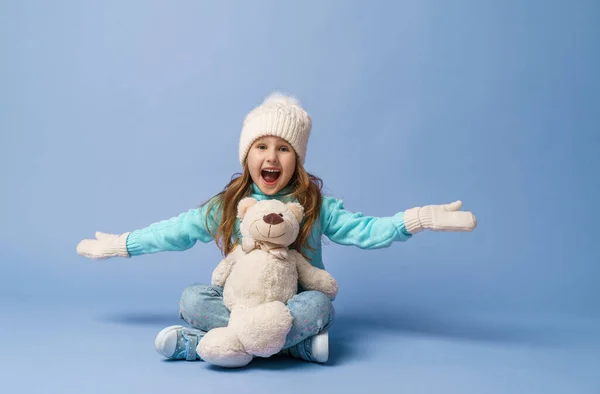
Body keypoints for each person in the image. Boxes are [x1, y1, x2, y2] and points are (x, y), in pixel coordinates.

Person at [76, 92, 477, 364]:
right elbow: (176, 230)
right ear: (247, 154)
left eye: (284, 148)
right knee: (192, 299)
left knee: (320, 305)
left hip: (291, 307)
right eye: (261, 147)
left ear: (297, 158)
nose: (272, 157)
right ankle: (292, 349)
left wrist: (417, 219)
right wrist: (122, 244)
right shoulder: (231, 205)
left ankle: (204, 347)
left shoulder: (316, 207)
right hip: (239, 303)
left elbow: (367, 231)